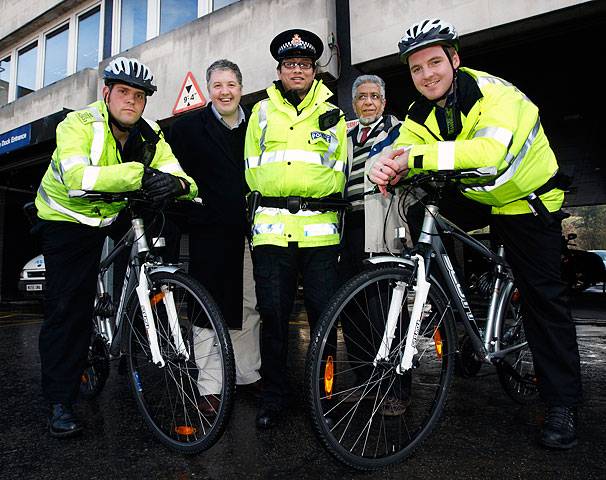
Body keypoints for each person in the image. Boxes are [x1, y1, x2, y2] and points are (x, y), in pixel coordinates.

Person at [369, 18, 582, 449]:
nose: (426, 75)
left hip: (527, 200)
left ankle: (563, 402)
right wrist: (384, 162)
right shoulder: (419, 111)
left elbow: (489, 153)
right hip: (484, 196)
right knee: (419, 212)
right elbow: (400, 147)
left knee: (543, 298)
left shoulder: (495, 94)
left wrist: (413, 157)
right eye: (416, 69)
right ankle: (455, 303)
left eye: (435, 63)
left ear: (455, 60)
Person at [34, 57, 198, 437]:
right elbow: (78, 178)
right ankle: (60, 399)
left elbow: (180, 174)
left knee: (162, 227)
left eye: (139, 96)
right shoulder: (77, 124)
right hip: (67, 216)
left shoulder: (151, 134)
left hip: (113, 209)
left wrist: (178, 185)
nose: (131, 102)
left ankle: (142, 311)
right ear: (106, 93)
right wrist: (141, 175)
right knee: (68, 307)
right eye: (123, 92)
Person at [244, 29, 347, 429]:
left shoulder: (333, 113)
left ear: (314, 70)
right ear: (280, 70)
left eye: (304, 64)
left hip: (321, 232)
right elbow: (250, 171)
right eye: (291, 65)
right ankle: (273, 398)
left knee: (324, 316)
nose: (297, 71)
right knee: (273, 316)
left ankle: (324, 396)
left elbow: (342, 172)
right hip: (271, 231)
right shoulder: (261, 113)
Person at [168, 59, 261, 414]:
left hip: (251, 233)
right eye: (218, 85)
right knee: (208, 309)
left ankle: (247, 374)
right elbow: (173, 172)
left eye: (231, 85)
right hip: (208, 233)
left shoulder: (256, 123)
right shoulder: (188, 128)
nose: (225, 92)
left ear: (241, 87)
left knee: (248, 305)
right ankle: (210, 386)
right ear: (209, 90)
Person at [340, 74, 410, 414]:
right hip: (346, 229)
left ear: (383, 101)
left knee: (387, 311)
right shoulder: (345, 136)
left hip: (381, 226)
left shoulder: (399, 130)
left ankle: (396, 388)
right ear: (354, 103)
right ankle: (366, 382)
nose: (368, 102)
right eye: (361, 97)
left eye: (374, 97)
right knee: (353, 311)